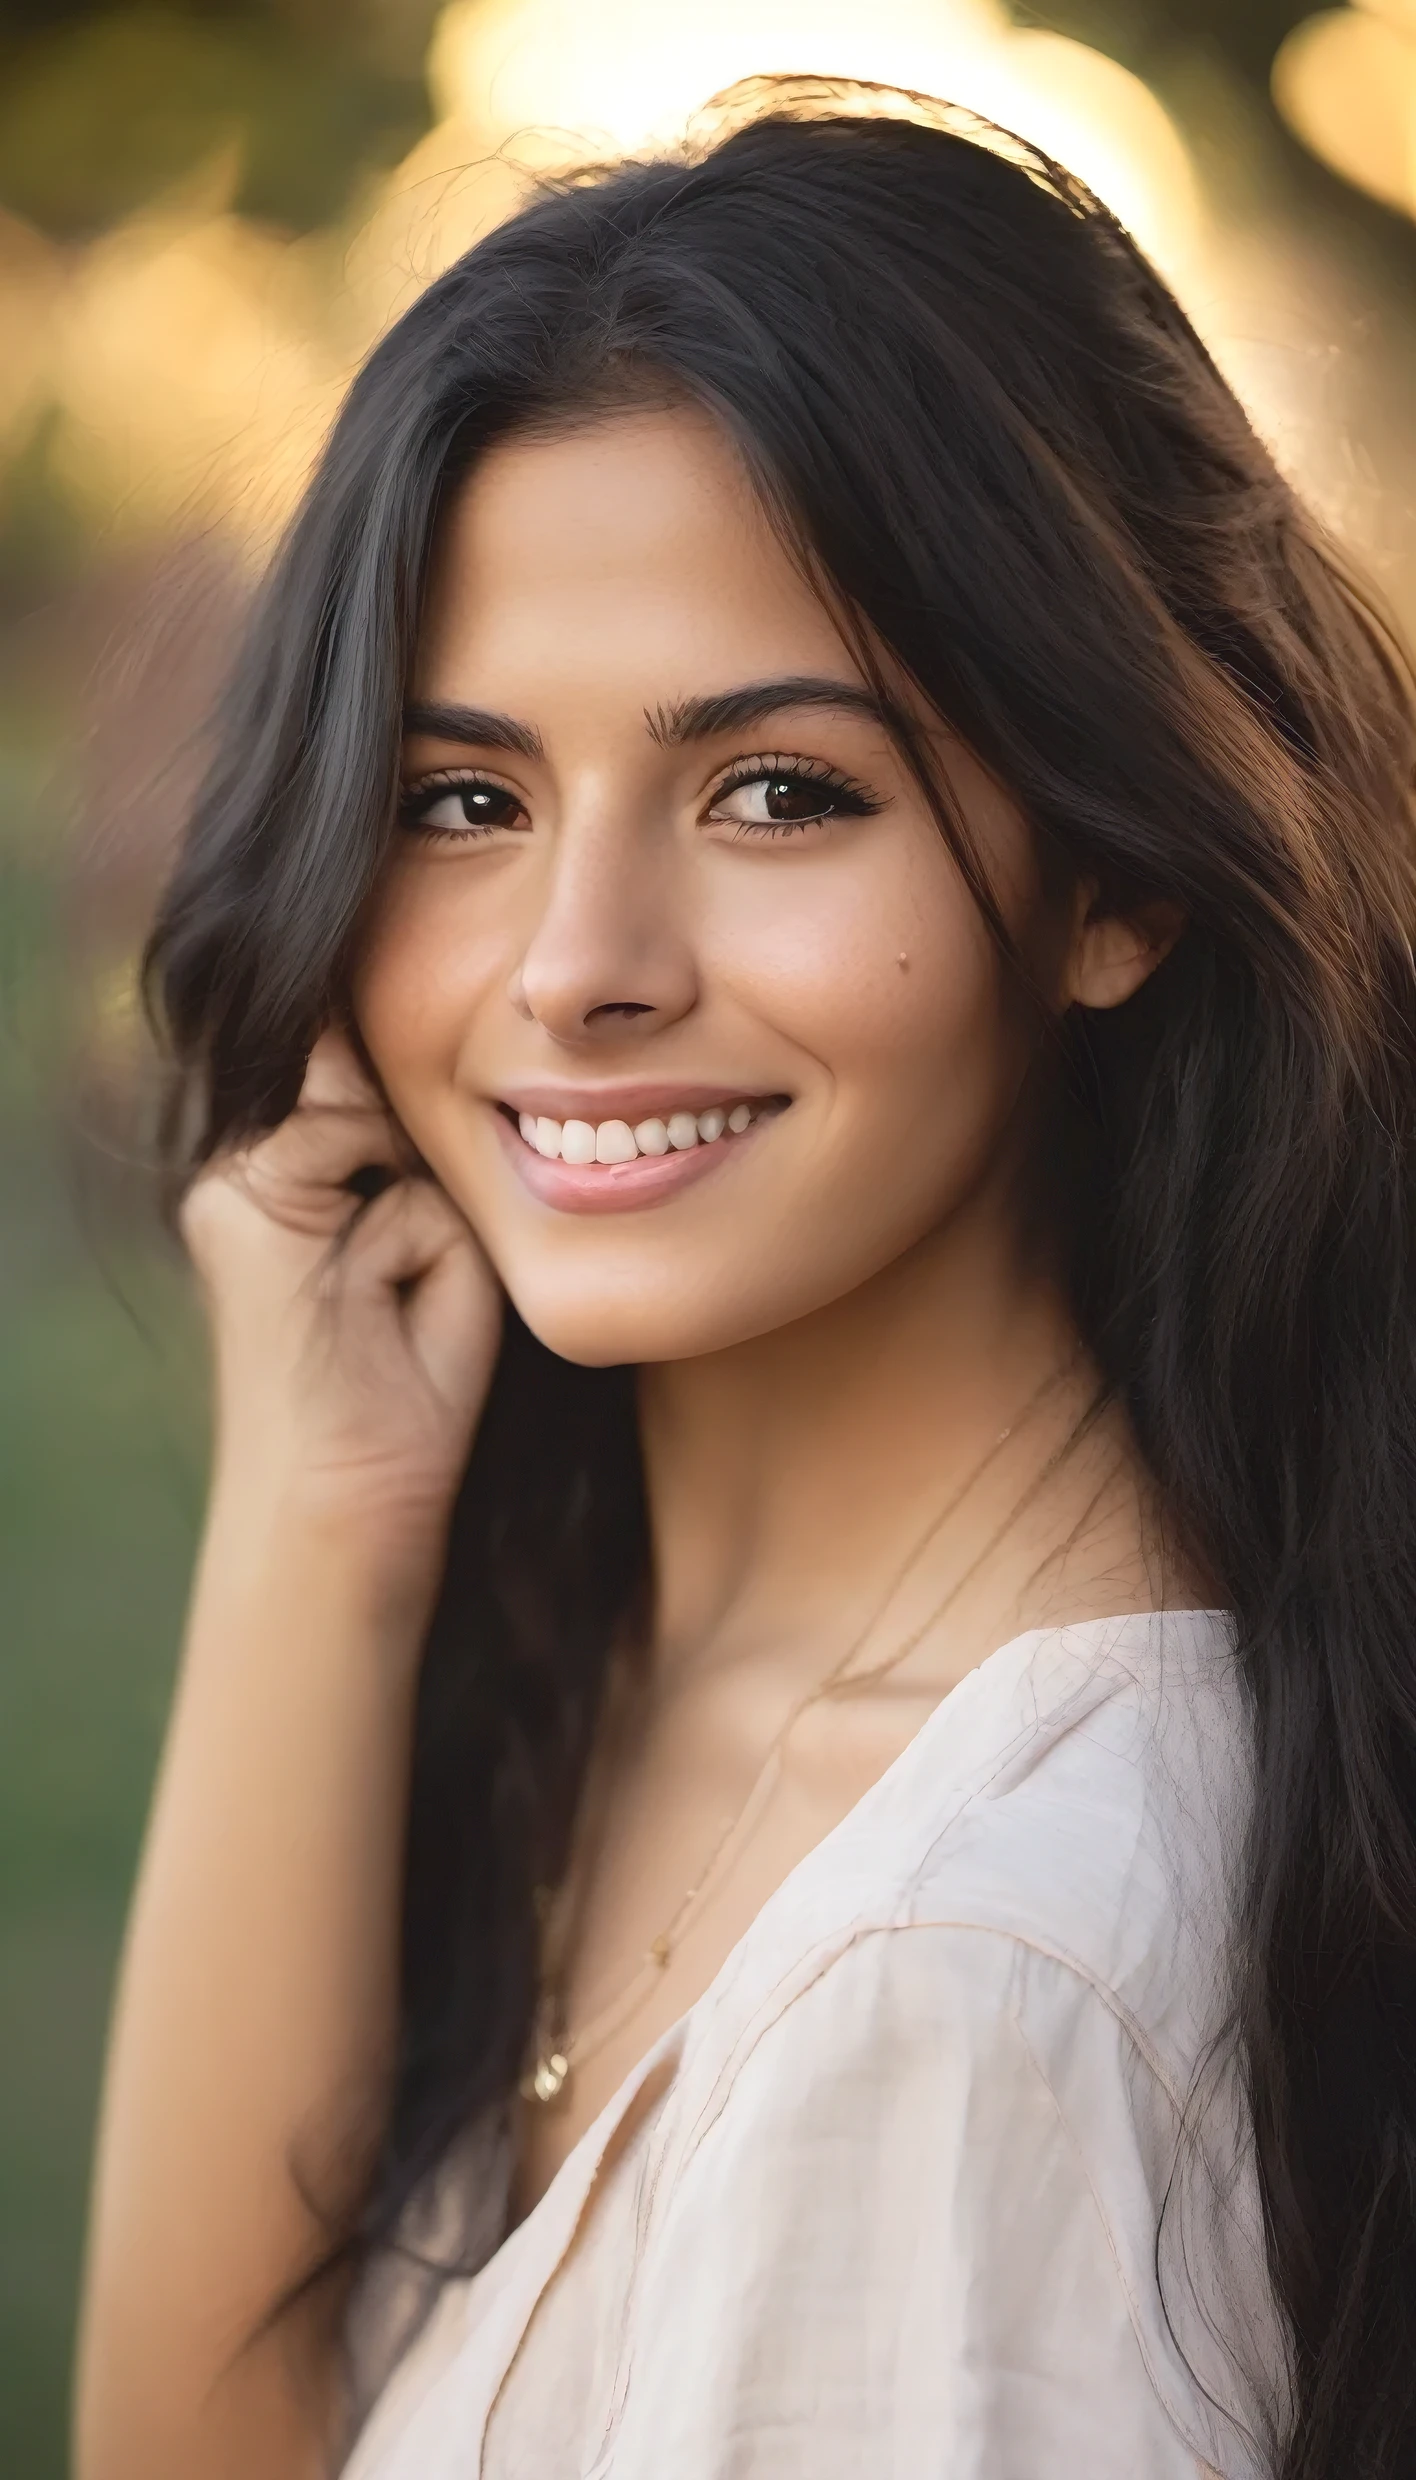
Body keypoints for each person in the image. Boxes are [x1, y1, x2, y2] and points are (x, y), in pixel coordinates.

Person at [73, 87, 1416, 2480]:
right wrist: (317, 1530)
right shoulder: (605, 1660)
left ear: (1117, 883)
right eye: (460, 800)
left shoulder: (971, 1988)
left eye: (778, 790)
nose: (575, 967)